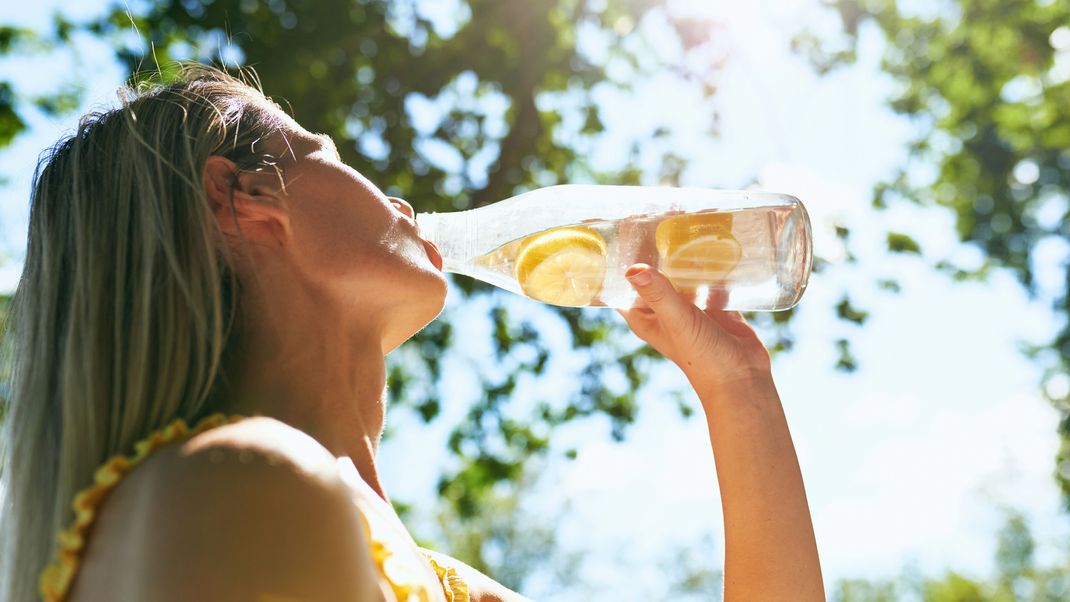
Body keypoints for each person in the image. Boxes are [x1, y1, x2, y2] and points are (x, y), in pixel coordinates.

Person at [0, 66, 823, 601]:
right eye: (321, 151)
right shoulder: (239, 490)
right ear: (240, 199)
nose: (394, 199)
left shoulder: (442, 581)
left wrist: (738, 387)